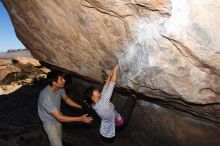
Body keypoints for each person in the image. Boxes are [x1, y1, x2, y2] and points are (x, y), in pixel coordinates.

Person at [38, 70, 93, 146]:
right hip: (49, 122)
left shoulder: (60, 88)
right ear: (54, 83)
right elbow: (60, 118)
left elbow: (67, 99)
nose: (64, 80)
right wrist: (80, 118)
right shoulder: (46, 97)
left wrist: (82, 107)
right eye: (61, 79)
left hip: (58, 117)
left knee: (58, 141)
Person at [83, 65, 123, 143]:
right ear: (93, 98)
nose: (97, 90)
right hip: (113, 118)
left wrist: (109, 76)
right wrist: (115, 69)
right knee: (123, 120)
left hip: (108, 116)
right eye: (95, 91)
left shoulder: (94, 103)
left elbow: (105, 87)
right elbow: (112, 84)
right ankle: (133, 97)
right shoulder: (103, 102)